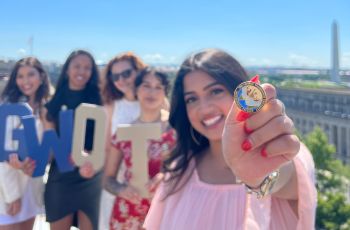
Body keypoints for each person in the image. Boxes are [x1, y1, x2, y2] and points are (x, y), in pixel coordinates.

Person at [144, 49, 317, 229]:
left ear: (241, 93)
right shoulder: (179, 170)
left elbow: (287, 176)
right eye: (191, 99)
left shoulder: (285, 153)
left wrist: (259, 176)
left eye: (215, 91)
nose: (204, 108)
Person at [103, 68, 176, 229]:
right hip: (127, 214)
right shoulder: (123, 132)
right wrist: (121, 190)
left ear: (165, 93)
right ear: (136, 90)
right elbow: (108, 179)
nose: (152, 92)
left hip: (165, 213)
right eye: (146, 85)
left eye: (158, 87)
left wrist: (166, 176)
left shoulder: (176, 130)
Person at [39, 50, 102, 230]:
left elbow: (105, 141)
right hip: (61, 176)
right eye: (77, 66)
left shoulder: (102, 101)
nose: (81, 71)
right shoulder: (51, 105)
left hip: (91, 175)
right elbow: (49, 148)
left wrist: (89, 156)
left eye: (87, 67)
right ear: (67, 70)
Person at [98, 52, 147, 230]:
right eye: (115, 76)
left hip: (149, 186)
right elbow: (106, 149)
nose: (121, 80)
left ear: (138, 71)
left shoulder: (157, 102)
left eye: (126, 73)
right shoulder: (112, 107)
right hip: (117, 185)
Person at [0, 57, 50, 229]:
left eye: (31, 74)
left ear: (41, 77)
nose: (25, 81)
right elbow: (3, 155)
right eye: (20, 76)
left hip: (32, 188)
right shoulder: (8, 108)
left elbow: (48, 150)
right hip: (7, 187)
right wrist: (12, 195)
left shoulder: (47, 109)